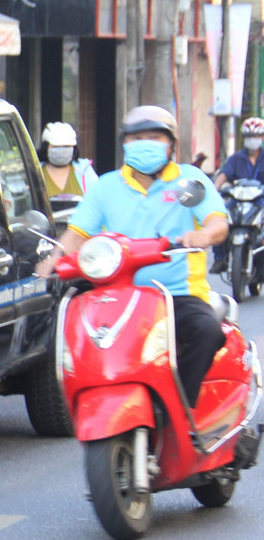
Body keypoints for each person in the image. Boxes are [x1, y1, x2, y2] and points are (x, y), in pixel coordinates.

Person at [36, 105, 228, 406]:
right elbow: (76, 234)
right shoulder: (107, 187)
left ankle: (177, 409)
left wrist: (204, 234)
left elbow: (218, 222)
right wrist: (53, 259)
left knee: (206, 333)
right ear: (125, 143)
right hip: (116, 297)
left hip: (176, 296)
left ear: (171, 144)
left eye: (154, 136)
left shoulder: (187, 181)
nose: (145, 142)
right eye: (137, 137)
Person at [211, 116, 264, 271]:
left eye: (255, 136)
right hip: (238, 200)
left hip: (260, 202)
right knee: (220, 221)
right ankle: (220, 258)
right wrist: (215, 189)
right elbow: (223, 175)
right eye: (249, 136)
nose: (252, 140)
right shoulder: (236, 159)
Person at [38, 121, 97, 197]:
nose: (61, 150)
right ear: (46, 148)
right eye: (56, 146)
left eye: (66, 146)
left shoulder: (85, 172)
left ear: (73, 148)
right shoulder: (36, 172)